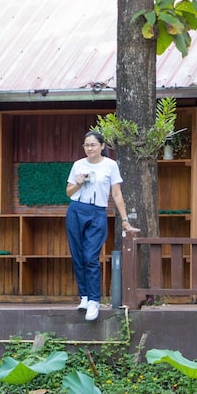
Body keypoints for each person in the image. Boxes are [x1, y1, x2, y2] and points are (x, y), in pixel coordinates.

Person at [65, 131, 138, 321]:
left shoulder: (110, 165)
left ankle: (94, 301)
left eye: (93, 145)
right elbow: (68, 191)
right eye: (86, 145)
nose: (90, 148)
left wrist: (125, 220)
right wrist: (79, 183)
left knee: (91, 257)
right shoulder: (78, 165)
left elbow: (116, 194)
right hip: (76, 210)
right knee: (78, 255)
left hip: (98, 212)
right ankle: (84, 296)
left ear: (102, 146)